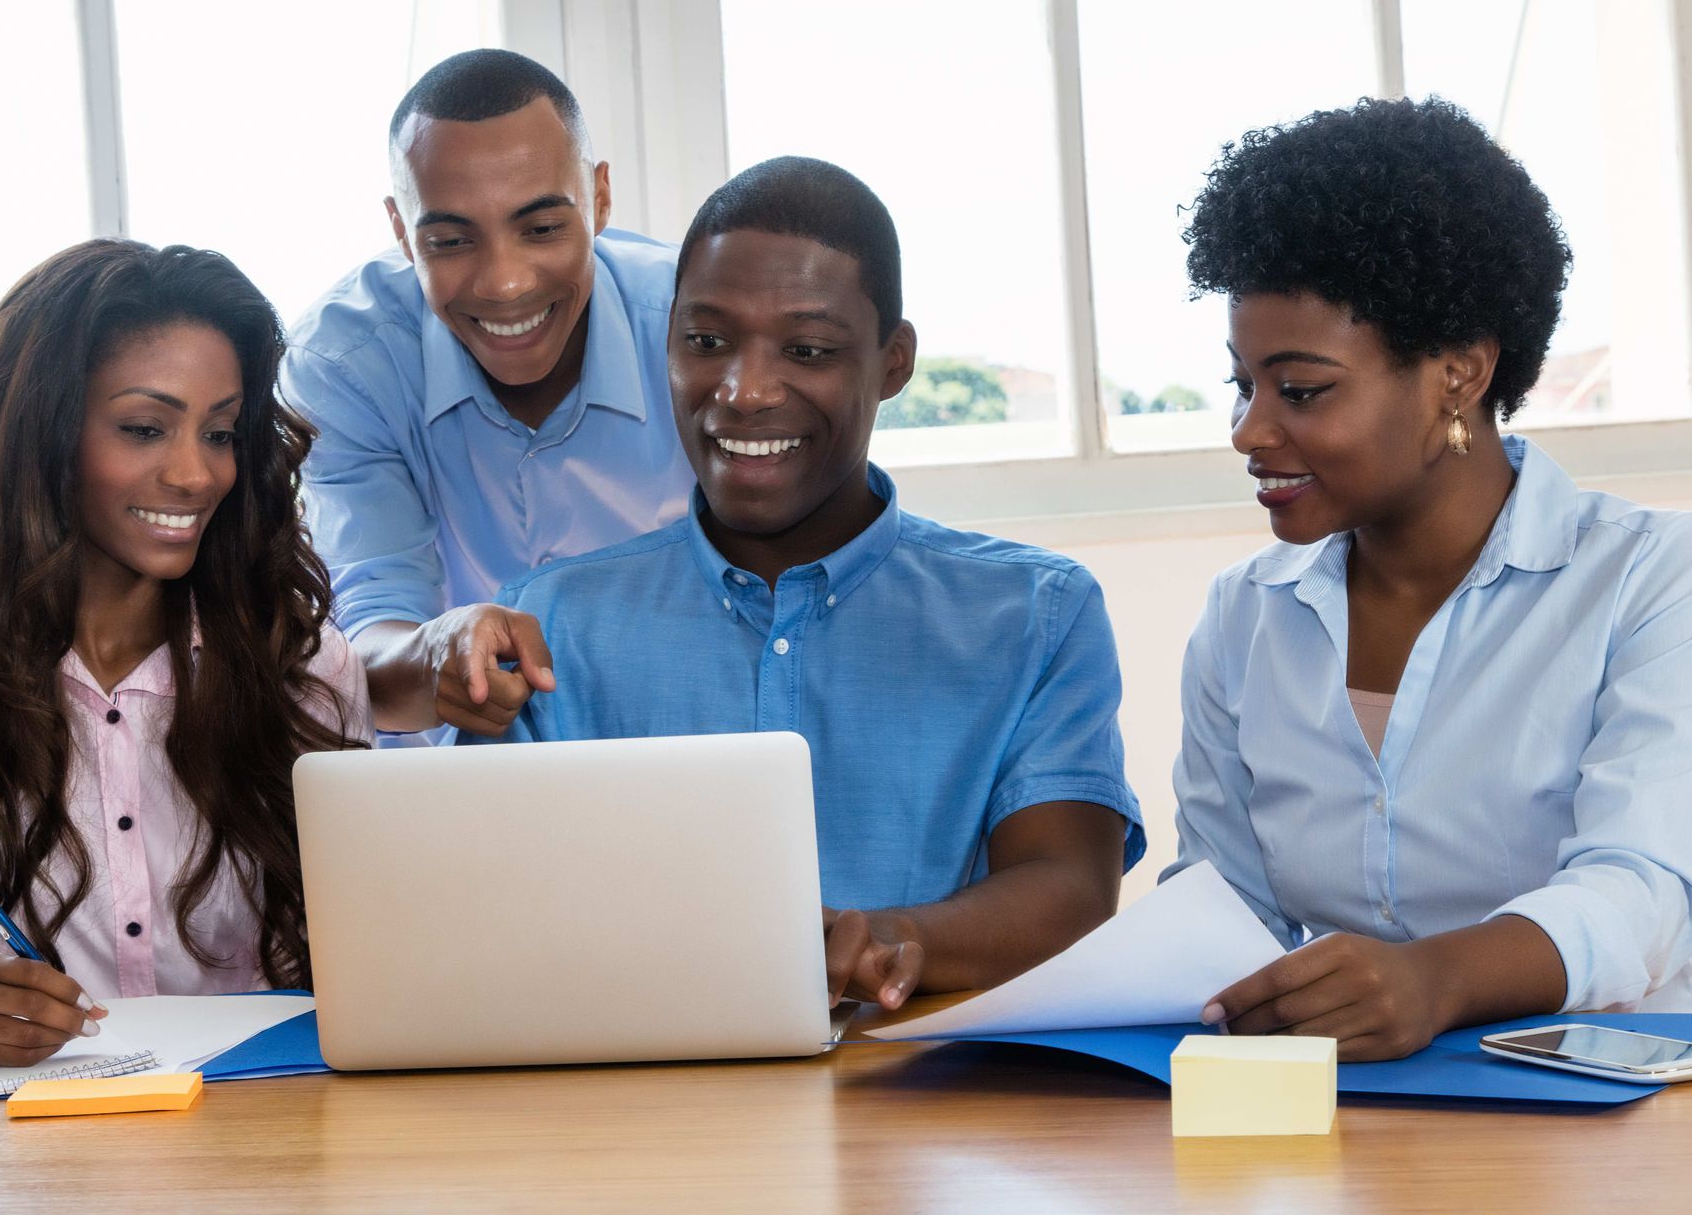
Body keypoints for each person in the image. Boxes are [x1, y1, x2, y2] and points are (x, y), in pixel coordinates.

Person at [469, 157, 1144, 1011]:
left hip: (932, 1117)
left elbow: (1071, 891)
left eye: (809, 350)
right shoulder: (551, 621)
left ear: (892, 364)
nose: (744, 392)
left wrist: (894, 942)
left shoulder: (1036, 616)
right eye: (705, 342)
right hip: (632, 1117)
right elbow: (489, 915)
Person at [1167, 96, 1692, 1060]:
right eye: (1243, 385)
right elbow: (1219, 903)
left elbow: (1642, 889)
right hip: (1330, 1111)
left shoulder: (1651, 579)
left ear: (1459, 374)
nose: (1249, 431)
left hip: (1608, 1111)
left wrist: (1433, 981)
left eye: (1303, 390)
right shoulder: (1247, 617)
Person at [0, 240, 371, 1066]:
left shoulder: (305, 669)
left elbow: (377, 948)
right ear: (43, 435)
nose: (198, 474)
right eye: (144, 428)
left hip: (255, 1133)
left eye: (222, 432)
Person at [282, 49, 695, 740]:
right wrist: (434, 650)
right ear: (400, 232)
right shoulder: (344, 364)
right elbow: (370, 625)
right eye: (449, 241)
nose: (504, 284)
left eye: (540, 229)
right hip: (456, 782)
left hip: (685, 747)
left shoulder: (698, 328)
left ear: (598, 198)